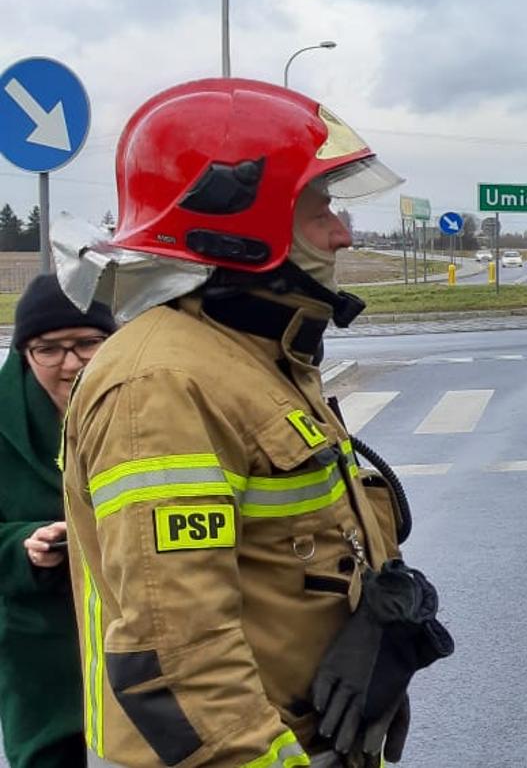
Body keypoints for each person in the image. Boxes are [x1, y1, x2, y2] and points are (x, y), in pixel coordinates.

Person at [59, 79, 452, 767]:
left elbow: (294, 550)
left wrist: (382, 617)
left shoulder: (255, 357)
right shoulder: (161, 386)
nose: (343, 231)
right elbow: (176, 660)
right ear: (242, 222)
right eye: (320, 206)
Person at [0, 274, 115, 768]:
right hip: (43, 655)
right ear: (25, 353)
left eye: (87, 343)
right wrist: (24, 545)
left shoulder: (142, 403)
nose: (70, 363)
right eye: (49, 348)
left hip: (131, 641)